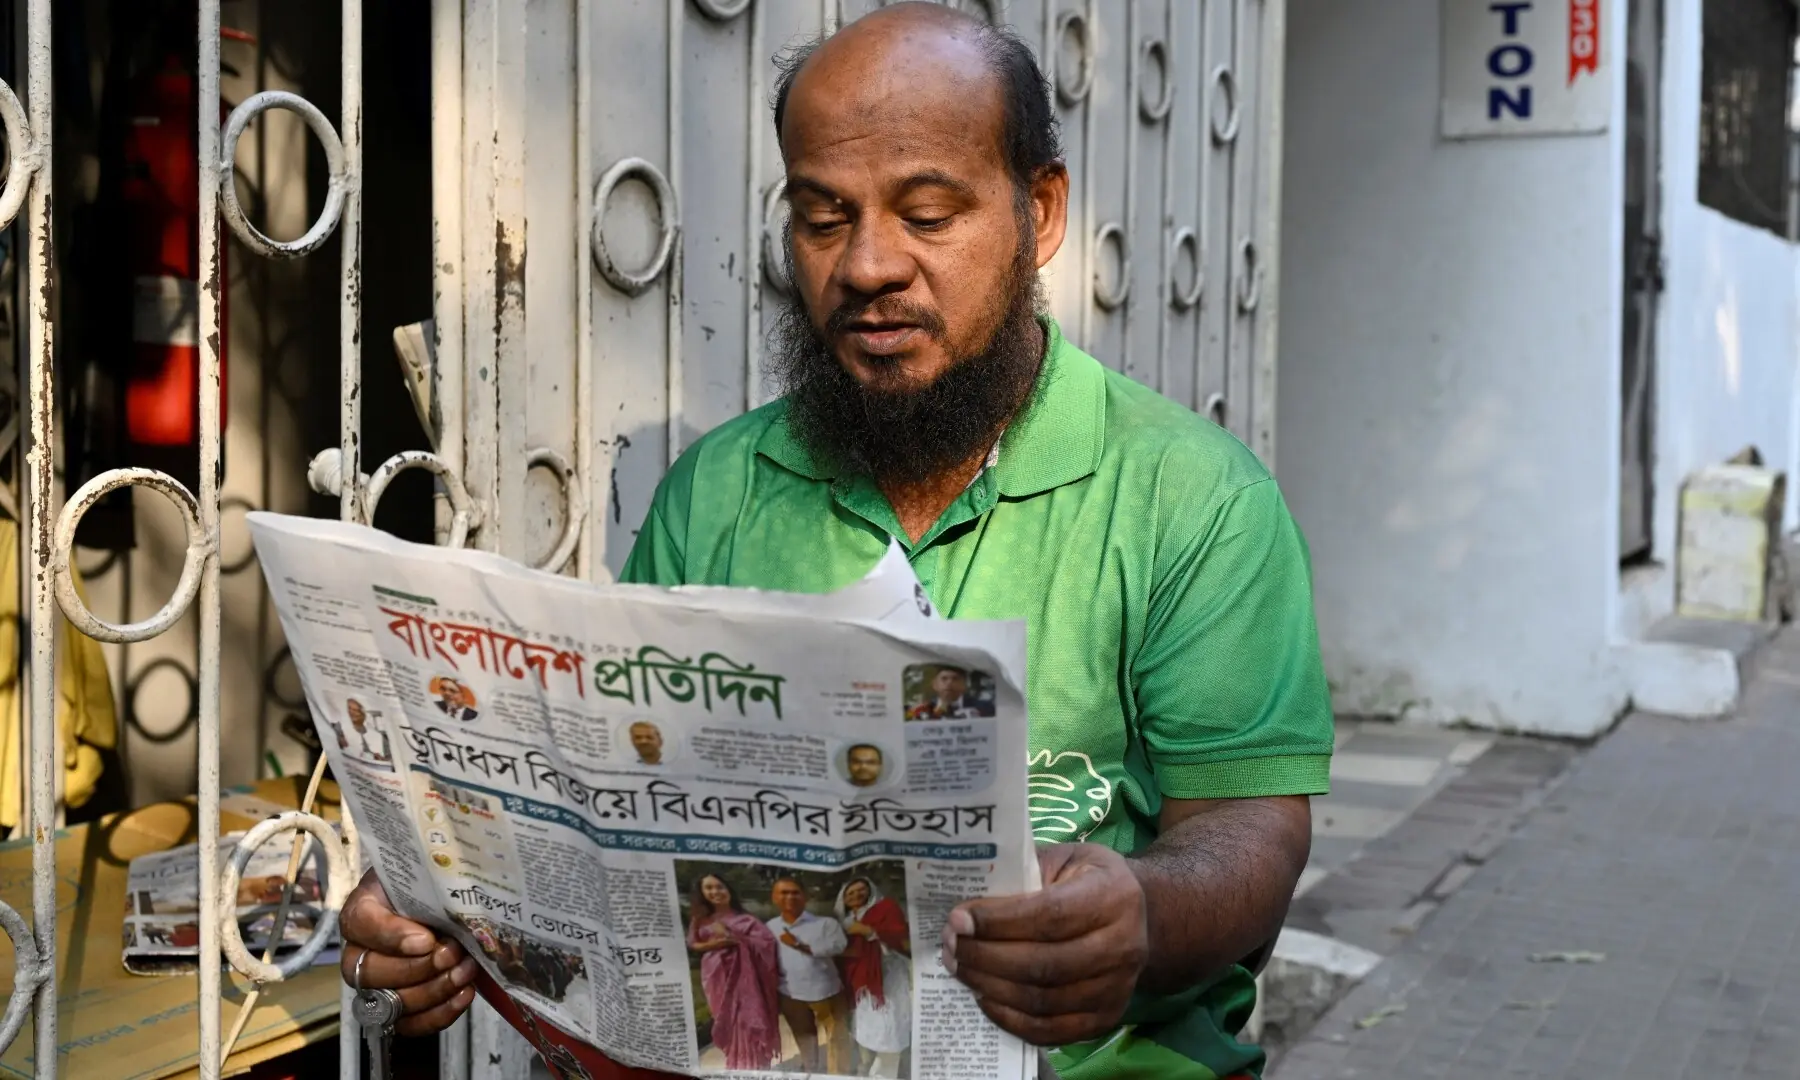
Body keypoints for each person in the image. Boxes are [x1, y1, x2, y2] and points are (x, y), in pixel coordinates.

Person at [337, 6, 1330, 1079]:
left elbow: (1248, 831)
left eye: (928, 212)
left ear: (1039, 212)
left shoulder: (1196, 500)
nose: (866, 266)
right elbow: (610, 813)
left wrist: (1136, 909)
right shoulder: (717, 491)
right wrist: (447, 895)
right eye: (823, 217)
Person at [684, 875, 782, 1071]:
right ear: (702, 894)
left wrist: (733, 936)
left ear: (728, 889)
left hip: (747, 982)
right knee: (728, 1022)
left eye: (719, 887)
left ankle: (756, 1068)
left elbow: (767, 944)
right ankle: (737, 1067)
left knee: (748, 1022)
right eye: (709, 888)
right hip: (716, 979)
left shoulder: (746, 919)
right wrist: (718, 943)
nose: (715, 892)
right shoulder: (701, 919)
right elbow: (693, 943)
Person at [766, 877, 851, 1074]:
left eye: (795, 892)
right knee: (804, 1037)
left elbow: (839, 946)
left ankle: (838, 1075)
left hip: (827, 990)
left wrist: (799, 946)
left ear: (805, 897)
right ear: (774, 898)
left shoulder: (826, 924)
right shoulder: (769, 927)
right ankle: (810, 1071)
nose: (790, 897)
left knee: (836, 1039)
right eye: (783, 892)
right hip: (790, 993)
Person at [834, 877, 912, 1077]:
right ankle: (867, 1066)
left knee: (889, 1026)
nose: (856, 895)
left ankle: (885, 1072)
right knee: (864, 1027)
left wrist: (869, 931)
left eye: (861, 890)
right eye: (850, 893)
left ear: (871, 890)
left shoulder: (886, 908)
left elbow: (902, 939)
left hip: (886, 977)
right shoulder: (843, 919)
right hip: (859, 982)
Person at [905, 666, 984, 720]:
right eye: (944, 679)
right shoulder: (920, 711)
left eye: (955, 679)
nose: (949, 683)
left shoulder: (984, 708)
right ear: (934, 685)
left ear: (964, 685)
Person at [347, 698, 391, 762]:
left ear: (362, 713)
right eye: (349, 709)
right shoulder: (344, 730)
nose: (351, 713)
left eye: (355, 710)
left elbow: (388, 759)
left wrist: (380, 759)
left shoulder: (378, 736)